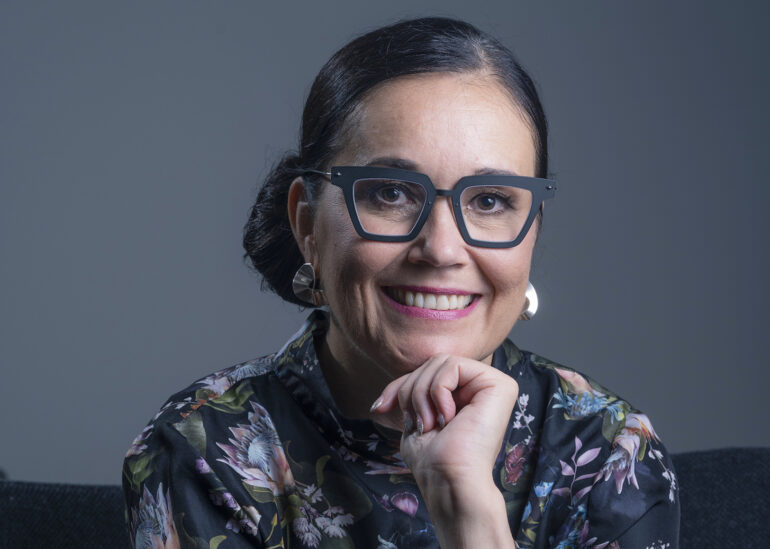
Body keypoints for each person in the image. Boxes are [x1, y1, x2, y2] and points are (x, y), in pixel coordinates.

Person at [123, 17, 679, 549]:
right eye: (390, 193)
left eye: (490, 201)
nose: (441, 249)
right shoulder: (203, 447)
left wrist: (469, 511)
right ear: (307, 225)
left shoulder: (608, 452)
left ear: (532, 229)